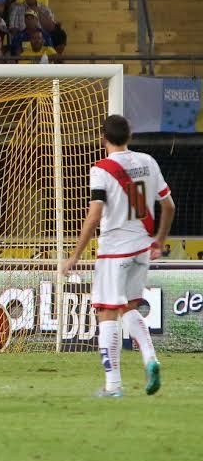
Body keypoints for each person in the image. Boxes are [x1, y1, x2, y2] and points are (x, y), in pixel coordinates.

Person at [61, 115, 175, 398]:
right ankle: (150, 359)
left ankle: (113, 386)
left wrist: (75, 255)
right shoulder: (148, 161)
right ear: (130, 135)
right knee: (129, 309)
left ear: (103, 138)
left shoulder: (101, 169)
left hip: (114, 251)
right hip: (141, 249)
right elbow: (169, 205)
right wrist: (159, 241)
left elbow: (95, 214)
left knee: (106, 313)